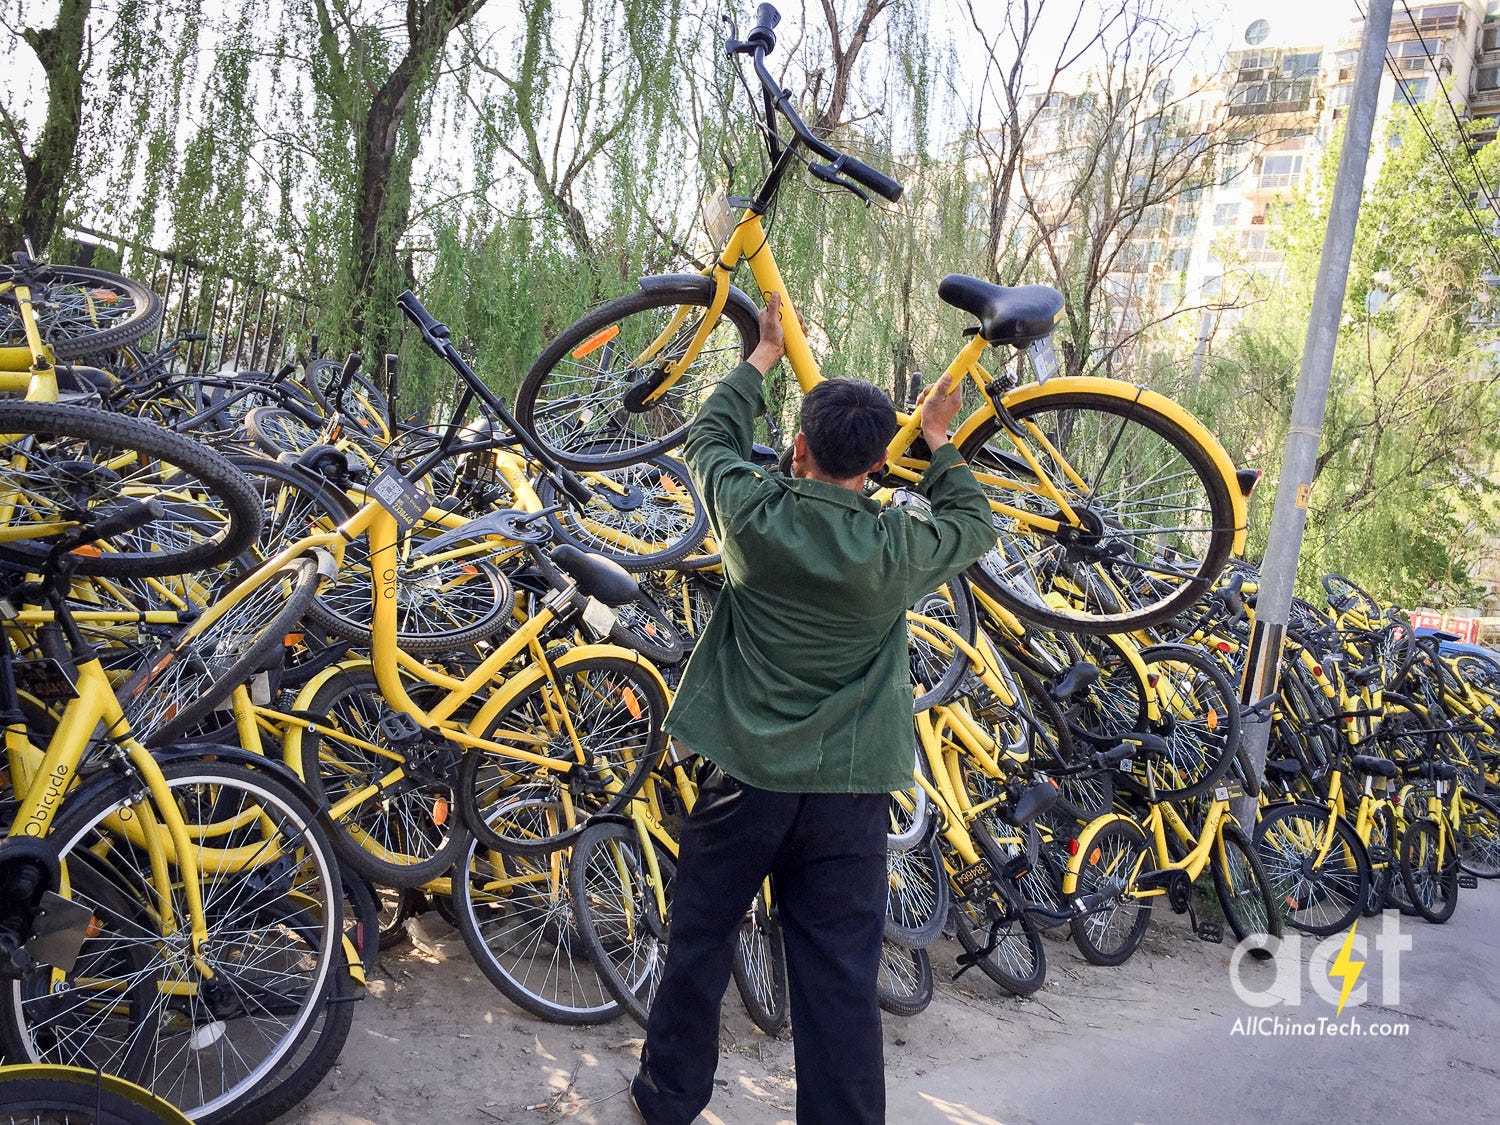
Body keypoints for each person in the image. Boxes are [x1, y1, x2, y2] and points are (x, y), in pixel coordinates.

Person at [630, 293, 994, 1124]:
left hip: (745, 778)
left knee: (699, 941)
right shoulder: (895, 547)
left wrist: (764, 353)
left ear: (797, 448)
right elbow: (973, 523)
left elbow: (708, 437)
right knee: (838, 976)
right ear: (876, 466)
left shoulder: (754, 517)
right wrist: (940, 440)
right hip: (849, 795)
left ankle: (668, 1097)